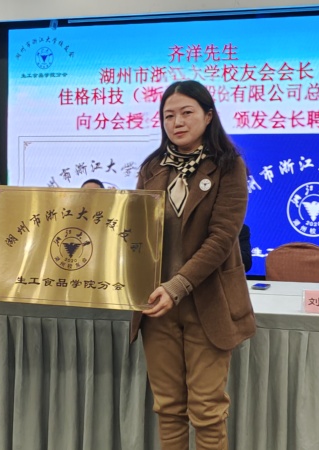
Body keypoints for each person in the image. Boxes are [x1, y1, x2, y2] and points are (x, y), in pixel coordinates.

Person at [130, 80, 256, 450]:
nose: (177, 122)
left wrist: (177, 286)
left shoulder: (229, 167)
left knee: (207, 412)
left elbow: (221, 240)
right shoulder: (152, 167)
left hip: (208, 304)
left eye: (187, 112)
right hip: (157, 306)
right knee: (168, 408)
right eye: (169, 115)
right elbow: (135, 231)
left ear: (208, 115)